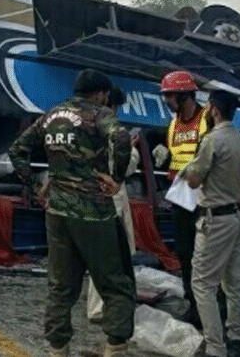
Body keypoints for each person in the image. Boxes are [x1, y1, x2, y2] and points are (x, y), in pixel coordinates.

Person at [9, 69, 136, 357]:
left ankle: (58, 349)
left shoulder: (51, 115)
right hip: (93, 212)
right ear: (102, 93)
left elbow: (17, 149)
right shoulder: (98, 114)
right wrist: (116, 178)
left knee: (61, 285)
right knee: (115, 283)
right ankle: (115, 347)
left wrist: (34, 184)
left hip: (56, 212)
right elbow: (122, 138)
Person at [180, 90, 240, 357]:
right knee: (234, 284)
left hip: (216, 220)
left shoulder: (212, 141)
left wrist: (187, 169)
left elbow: (194, 181)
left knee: (202, 283)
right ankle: (236, 341)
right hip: (237, 217)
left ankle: (215, 347)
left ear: (214, 110)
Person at [158, 70, 211, 325]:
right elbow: (175, 158)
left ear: (184, 96)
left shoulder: (207, 119)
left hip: (205, 198)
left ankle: (208, 306)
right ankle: (193, 303)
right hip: (181, 199)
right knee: (184, 252)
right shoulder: (173, 124)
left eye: (169, 96)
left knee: (205, 254)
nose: (166, 101)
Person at [86, 86, 139, 324]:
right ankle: (101, 308)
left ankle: (105, 304)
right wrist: (133, 148)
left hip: (87, 196)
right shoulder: (114, 130)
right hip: (110, 197)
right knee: (110, 258)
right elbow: (126, 165)